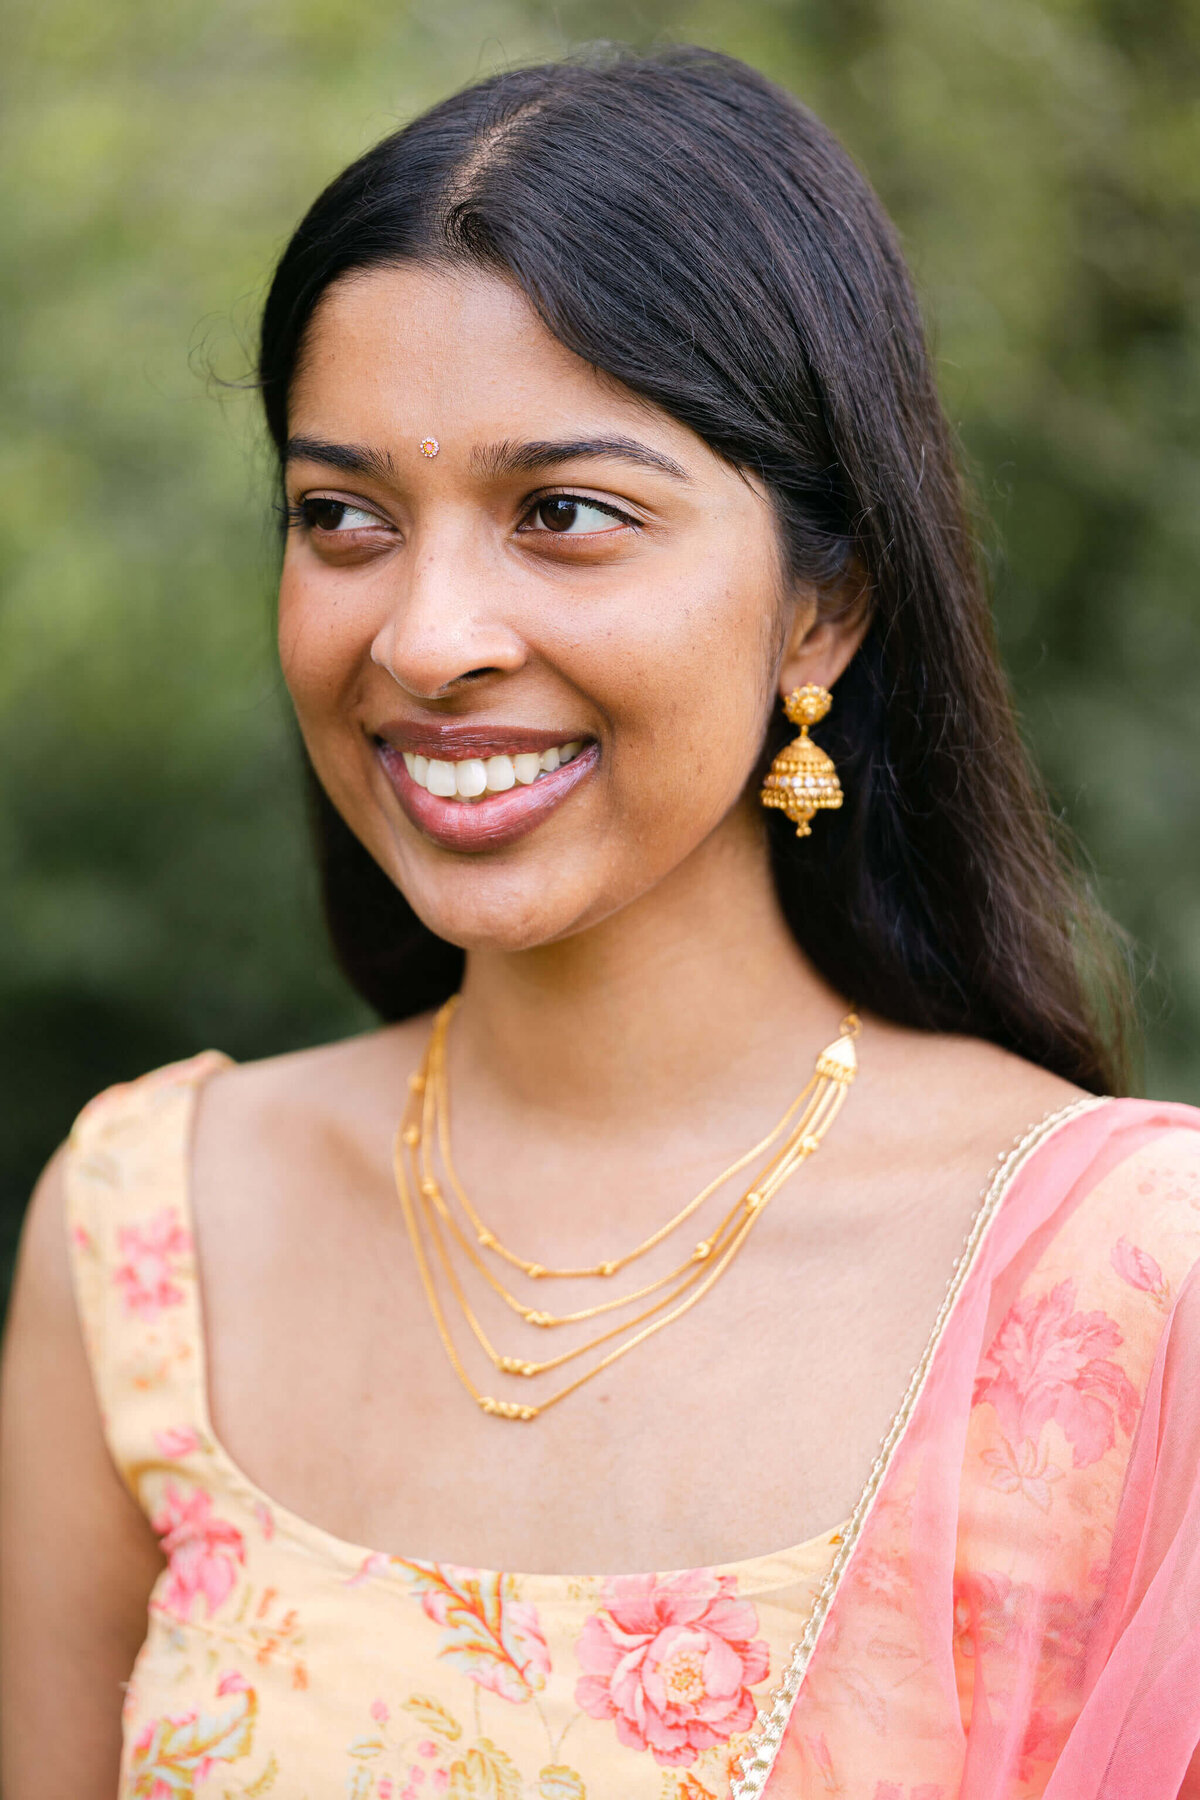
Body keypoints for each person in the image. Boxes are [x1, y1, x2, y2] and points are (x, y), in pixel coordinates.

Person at [2, 44, 1198, 1800]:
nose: (423, 636)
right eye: (344, 517)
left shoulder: (1124, 1282)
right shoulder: (144, 1232)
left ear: (826, 609)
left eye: (563, 514)